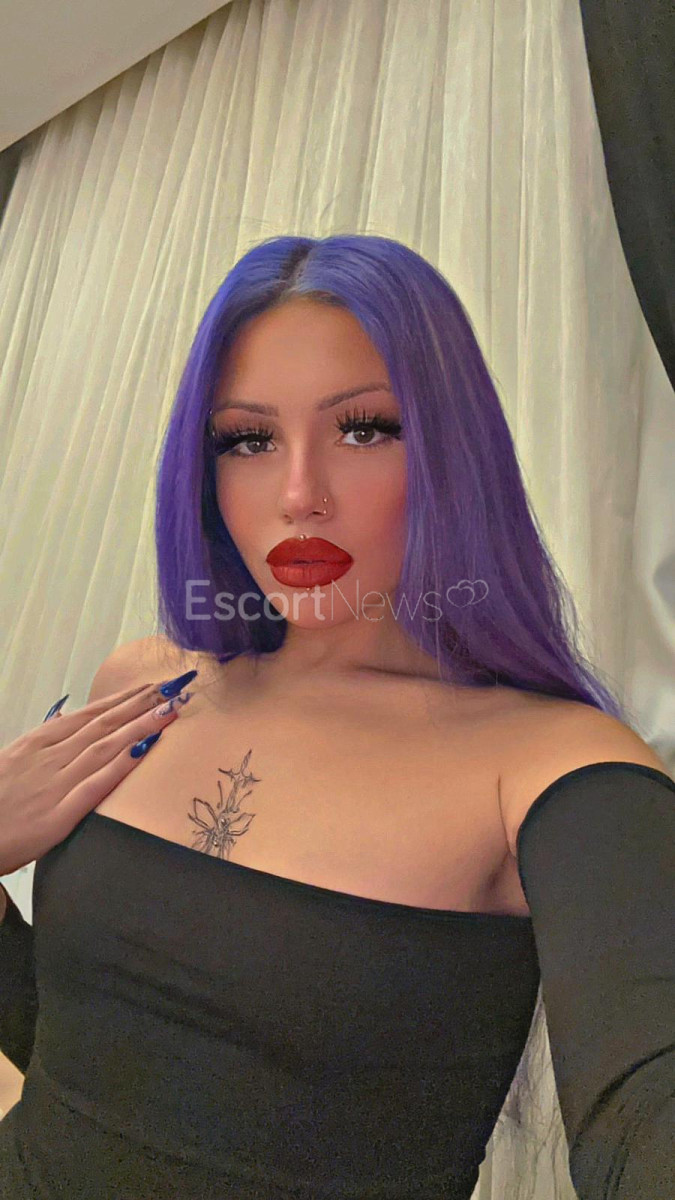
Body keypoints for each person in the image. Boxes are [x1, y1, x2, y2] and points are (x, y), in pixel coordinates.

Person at [0, 234, 672, 1199]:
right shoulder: (144, 688)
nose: (298, 496)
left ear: (454, 452)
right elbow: (80, 1060)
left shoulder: (549, 769)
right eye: (247, 440)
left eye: (364, 430)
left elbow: (644, 1101)